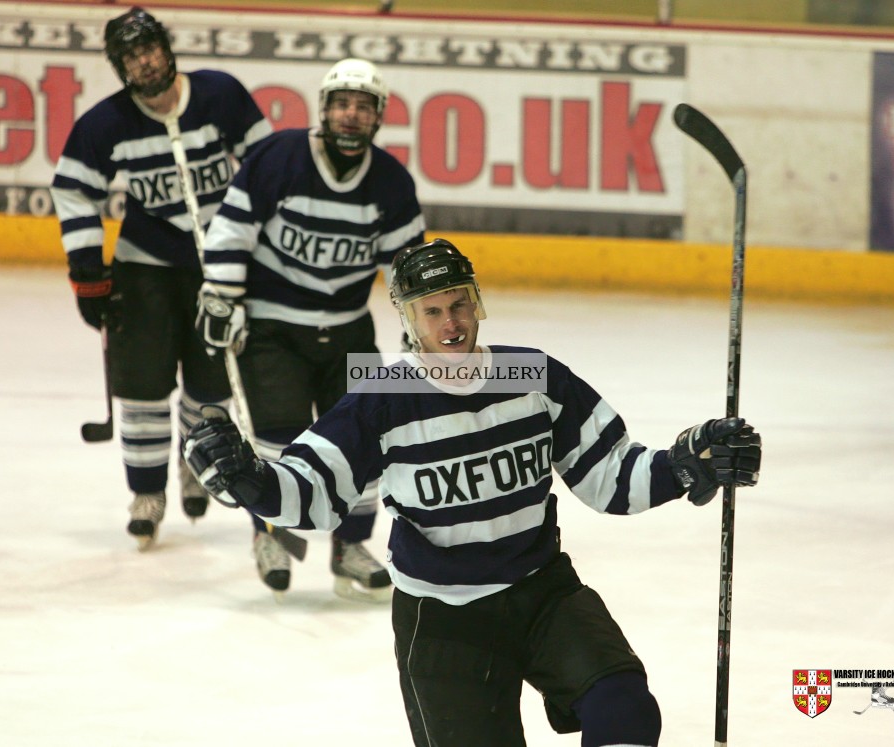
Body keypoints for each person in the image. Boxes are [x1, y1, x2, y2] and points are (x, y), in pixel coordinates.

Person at [183, 238, 763, 745]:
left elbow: (610, 475)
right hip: (443, 620)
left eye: (458, 303)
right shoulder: (381, 393)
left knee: (625, 709)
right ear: (410, 320)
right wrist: (252, 481)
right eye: (432, 311)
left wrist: (687, 464)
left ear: (476, 301)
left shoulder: (531, 374)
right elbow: (311, 490)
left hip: (543, 594)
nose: (450, 322)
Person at [196, 58, 426, 601]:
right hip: (274, 326)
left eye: (363, 107)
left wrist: (417, 327)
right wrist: (223, 296)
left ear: (377, 118)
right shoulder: (277, 157)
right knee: (278, 435)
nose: (351, 115)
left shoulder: (391, 182)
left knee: (368, 434)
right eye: (342, 104)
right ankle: (270, 531)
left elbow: (408, 265)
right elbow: (232, 229)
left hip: (348, 329)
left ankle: (350, 546)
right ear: (324, 109)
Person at [51, 7, 272, 550]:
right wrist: (86, 268)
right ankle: (146, 494)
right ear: (119, 67)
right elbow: (74, 188)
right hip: (144, 266)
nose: (144, 62)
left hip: (220, 266)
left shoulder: (220, 95)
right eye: (130, 56)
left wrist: (263, 251)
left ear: (167, 49)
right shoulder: (108, 122)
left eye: (149, 49)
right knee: (143, 386)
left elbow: (267, 167)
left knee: (211, 380)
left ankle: (194, 463)